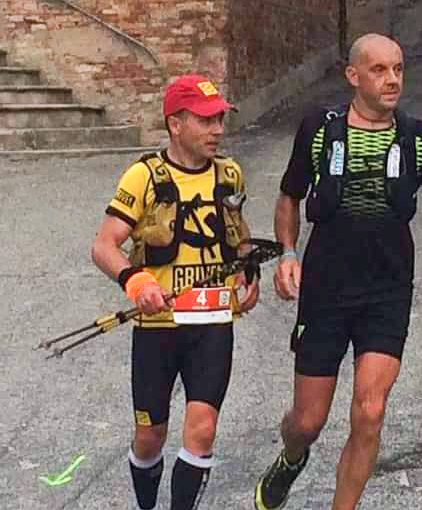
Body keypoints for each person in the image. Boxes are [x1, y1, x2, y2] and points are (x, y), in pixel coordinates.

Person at [254, 33, 422, 510]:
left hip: (387, 289)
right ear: (353, 76)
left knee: (370, 410)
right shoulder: (319, 131)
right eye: (379, 70)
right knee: (307, 421)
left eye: (398, 69)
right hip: (326, 289)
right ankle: (292, 457)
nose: (392, 79)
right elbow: (289, 196)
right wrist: (288, 253)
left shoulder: (419, 138)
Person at [91, 74, 259, 510]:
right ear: (175, 124)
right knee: (150, 436)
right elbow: (104, 245)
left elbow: (238, 236)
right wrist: (136, 281)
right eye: (205, 120)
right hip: (158, 327)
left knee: (203, 430)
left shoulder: (230, 174)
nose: (217, 130)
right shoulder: (144, 176)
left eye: (220, 119)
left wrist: (249, 271)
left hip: (213, 322)